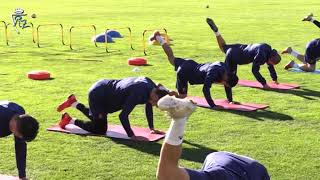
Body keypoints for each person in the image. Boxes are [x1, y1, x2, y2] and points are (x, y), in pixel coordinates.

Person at [156, 95, 270, 180]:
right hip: (244, 170)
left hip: (232, 164)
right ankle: (180, 118)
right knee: (168, 174)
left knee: (167, 174)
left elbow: (167, 174)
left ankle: (180, 119)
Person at [57, 76, 175, 141]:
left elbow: (148, 104)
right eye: (156, 103)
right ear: (154, 95)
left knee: (97, 116)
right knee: (100, 129)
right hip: (99, 95)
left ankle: (73, 103)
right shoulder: (137, 92)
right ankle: (69, 120)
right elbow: (123, 116)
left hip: (106, 89)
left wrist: (151, 128)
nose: (155, 105)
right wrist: (132, 136)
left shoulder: (152, 88)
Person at [149, 31, 238, 108]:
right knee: (182, 97)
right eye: (225, 84)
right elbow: (205, 89)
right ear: (226, 80)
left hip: (190, 64)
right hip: (185, 72)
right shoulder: (213, 73)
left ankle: (158, 37)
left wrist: (230, 100)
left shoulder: (225, 69)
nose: (223, 85)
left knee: (171, 58)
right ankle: (163, 89)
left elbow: (227, 84)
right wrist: (213, 105)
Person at [206, 17, 281, 90]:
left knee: (223, 47)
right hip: (237, 57)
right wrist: (264, 84)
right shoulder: (261, 56)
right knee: (230, 78)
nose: (270, 64)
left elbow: (270, 65)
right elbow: (254, 71)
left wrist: (275, 78)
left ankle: (216, 32)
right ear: (271, 59)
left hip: (240, 48)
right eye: (271, 63)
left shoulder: (268, 48)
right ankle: (217, 85)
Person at [0, 101, 39, 180]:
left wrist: (22, 176)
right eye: (20, 136)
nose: (20, 138)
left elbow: (20, 149)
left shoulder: (20, 115)